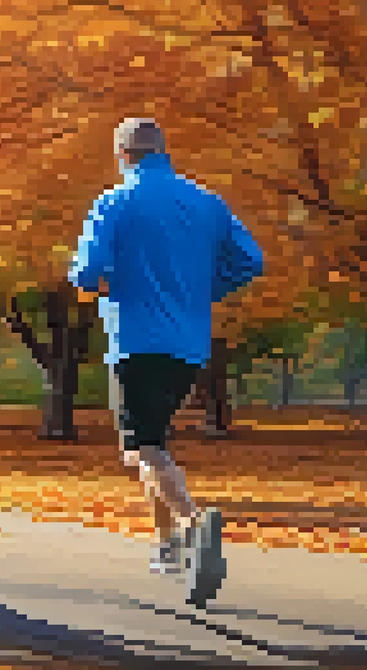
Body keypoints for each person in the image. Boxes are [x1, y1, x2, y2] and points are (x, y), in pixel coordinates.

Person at [70, 117, 263, 607]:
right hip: (190, 346)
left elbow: (88, 273)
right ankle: (166, 547)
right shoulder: (207, 202)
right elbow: (250, 261)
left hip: (135, 341)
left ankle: (195, 526)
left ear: (121, 154)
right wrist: (202, 291)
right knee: (154, 444)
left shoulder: (113, 202)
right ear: (162, 149)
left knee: (141, 449)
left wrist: (93, 284)